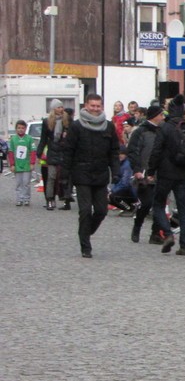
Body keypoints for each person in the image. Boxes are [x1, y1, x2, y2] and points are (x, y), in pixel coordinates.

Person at [62, 93, 120, 258]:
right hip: (81, 173)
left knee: (101, 210)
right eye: (92, 106)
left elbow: (114, 151)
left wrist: (116, 171)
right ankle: (85, 246)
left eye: (98, 106)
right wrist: (65, 175)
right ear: (86, 106)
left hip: (101, 174)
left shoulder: (108, 127)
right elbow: (68, 151)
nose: (95, 109)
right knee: (85, 210)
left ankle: (86, 231)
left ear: (102, 107)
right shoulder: (76, 126)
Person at [147, 114, 185, 256]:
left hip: (166, 174)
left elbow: (156, 151)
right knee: (183, 209)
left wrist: (150, 171)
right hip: (184, 175)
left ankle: (168, 233)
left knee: (158, 204)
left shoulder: (165, 128)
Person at [127, 105, 164, 244]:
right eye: (161, 115)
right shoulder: (140, 131)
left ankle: (155, 233)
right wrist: (137, 169)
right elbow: (133, 151)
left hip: (161, 172)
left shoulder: (163, 130)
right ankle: (137, 226)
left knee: (159, 204)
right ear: (154, 116)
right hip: (144, 172)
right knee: (146, 203)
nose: (163, 117)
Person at [37, 99, 72, 210]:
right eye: (58, 107)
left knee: (65, 177)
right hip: (52, 150)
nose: (61, 109)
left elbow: (73, 136)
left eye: (61, 107)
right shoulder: (47, 121)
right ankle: (50, 199)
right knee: (51, 176)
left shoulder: (67, 120)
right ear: (53, 109)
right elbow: (43, 138)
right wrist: (39, 153)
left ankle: (66, 200)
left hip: (64, 150)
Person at [9, 120, 36, 206]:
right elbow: (11, 153)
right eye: (19, 128)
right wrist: (12, 164)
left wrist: (32, 163)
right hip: (17, 165)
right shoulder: (13, 139)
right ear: (16, 129)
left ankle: (26, 198)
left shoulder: (29, 139)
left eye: (22, 128)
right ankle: (19, 198)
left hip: (26, 164)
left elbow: (33, 151)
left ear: (25, 129)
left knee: (26, 182)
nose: (20, 130)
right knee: (18, 183)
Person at [108, 147, 137, 216]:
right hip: (125, 189)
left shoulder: (127, 165)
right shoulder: (119, 164)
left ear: (126, 155)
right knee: (109, 196)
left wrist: (112, 191)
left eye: (122, 154)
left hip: (131, 190)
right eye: (118, 154)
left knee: (113, 197)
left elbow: (125, 183)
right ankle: (128, 207)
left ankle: (129, 208)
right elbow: (116, 180)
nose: (120, 155)